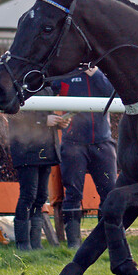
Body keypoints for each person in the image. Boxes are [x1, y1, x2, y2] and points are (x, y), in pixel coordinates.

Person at [51, 67, 117, 248]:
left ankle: (103, 242)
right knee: (73, 193)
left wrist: (95, 73)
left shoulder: (102, 73)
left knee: (110, 192)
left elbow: (113, 93)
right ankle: (74, 244)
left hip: (102, 142)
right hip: (73, 143)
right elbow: (50, 89)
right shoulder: (66, 74)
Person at [7, 88, 68, 251]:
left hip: (45, 149)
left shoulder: (46, 88)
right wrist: (43, 120)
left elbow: (43, 117)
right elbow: (13, 114)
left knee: (41, 197)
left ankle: (35, 243)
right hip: (26, 149)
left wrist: (57, 122)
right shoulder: (21, 86)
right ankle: (23, 244)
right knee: (28, 195)